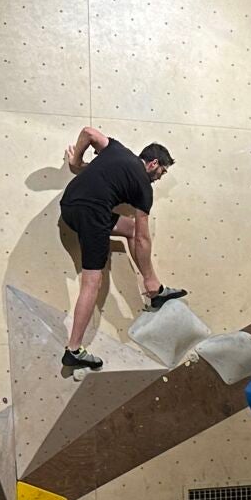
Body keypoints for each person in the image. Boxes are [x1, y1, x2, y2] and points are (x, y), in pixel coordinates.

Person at [58, 126, 187, 370]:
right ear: (153, 163)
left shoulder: (117, 149)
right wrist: (148, 277)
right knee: (92, 282)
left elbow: (88, 133)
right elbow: (143, 239)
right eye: (162, 171)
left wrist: (77, 163)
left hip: (69, 205)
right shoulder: (144, 187)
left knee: (130, 228)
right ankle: (73, 350)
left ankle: (156, 290)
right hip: (92, 214)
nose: (160, 177)